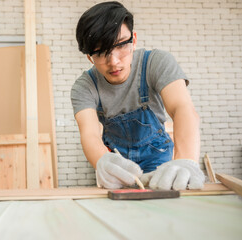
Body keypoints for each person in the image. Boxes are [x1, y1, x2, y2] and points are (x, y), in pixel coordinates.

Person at [71, 1, 205, 190]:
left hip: (160, 159)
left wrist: (186, 161)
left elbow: (182, 108)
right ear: (89, 57)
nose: (114, 61)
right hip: (118, 166)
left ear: (133, 40)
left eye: (120, 46)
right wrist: (101, 161)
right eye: (101, 52)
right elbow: (90, 134)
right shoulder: (84, 87)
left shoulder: (156, 63)